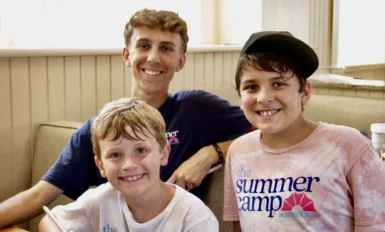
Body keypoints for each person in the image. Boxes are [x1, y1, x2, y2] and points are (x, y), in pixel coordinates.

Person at [0, 9, 251, 228]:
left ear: (180, 61)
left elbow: (266, 132)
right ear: (126, 55)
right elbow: (37, 198)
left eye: (166, 48)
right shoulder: (99, 130)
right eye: (143, 45)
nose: (153, 57)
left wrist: (211, 153)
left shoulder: (196, 108)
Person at [223, 31, 385, 232]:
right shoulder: (239, 151)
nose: (264, 97)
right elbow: (240, 226)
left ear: (305, 92)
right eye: (251, 87)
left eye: (279, 84)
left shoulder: (349, 145)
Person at [38, 98, 219, 232]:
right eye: (115, 155)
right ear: (101, 165)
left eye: (141, 150)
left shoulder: (194, 218)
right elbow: (48, 222)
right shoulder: (100, 199)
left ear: (164, 154)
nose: (129, 165)